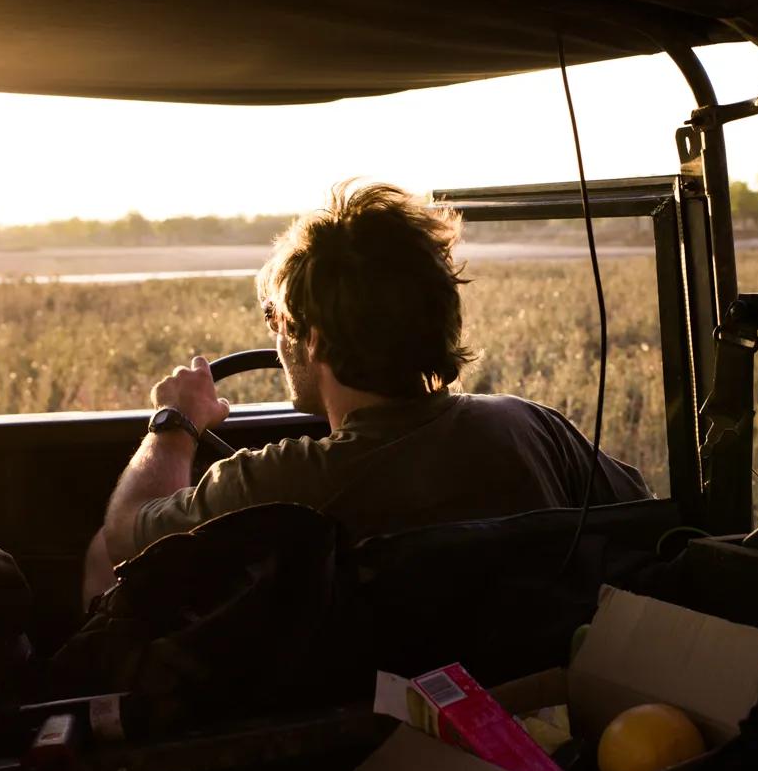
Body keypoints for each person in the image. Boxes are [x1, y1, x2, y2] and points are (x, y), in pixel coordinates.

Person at [82, 182, 650, 606]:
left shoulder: (285, 482)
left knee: (95, 561)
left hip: (345, 727)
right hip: (524, 688)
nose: (276, 338)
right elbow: (638, 517)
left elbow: (124, 533)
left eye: (275, 320)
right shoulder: (533, 427)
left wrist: (176, 421)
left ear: (315, 341)